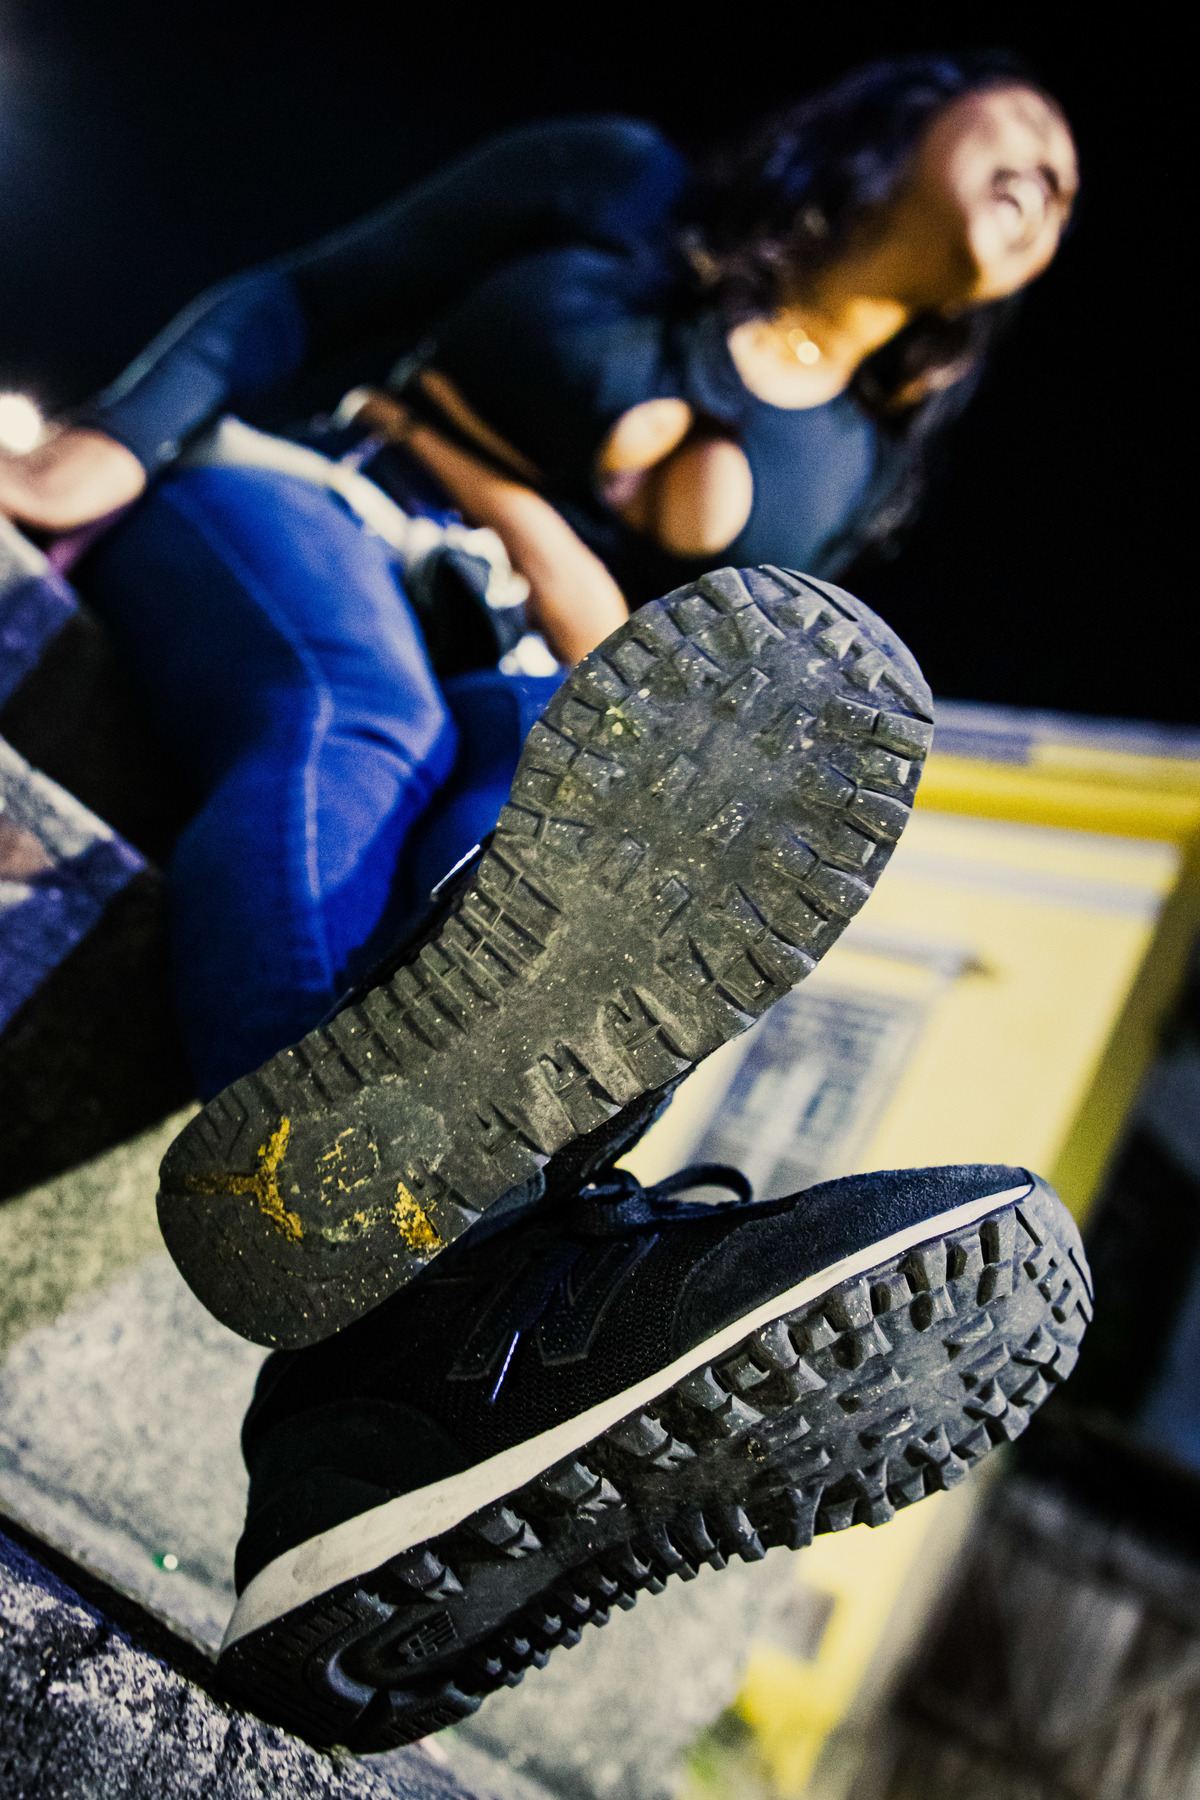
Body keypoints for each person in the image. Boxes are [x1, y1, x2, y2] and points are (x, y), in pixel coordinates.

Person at [2, 54, 1087, 1743]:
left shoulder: (846, 457)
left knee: (547, 802)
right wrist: (112, 440)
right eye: (1024, 127)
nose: (1052, 175)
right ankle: (386, 1228)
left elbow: (685, 681)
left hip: (523, 659)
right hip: (309, 513)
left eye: (1072, 190)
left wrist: (494, 472)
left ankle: (377, 1411)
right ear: (908, 119)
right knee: (356, 716)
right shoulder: (620, 187)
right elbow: (308, 298)